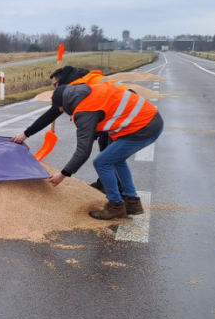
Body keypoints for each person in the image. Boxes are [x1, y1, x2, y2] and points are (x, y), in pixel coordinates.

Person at [46, 82, 163, 220]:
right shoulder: (88, 91)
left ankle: (116, 206)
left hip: (142, 127)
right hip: (152, 120)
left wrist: (63, 174)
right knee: (117, 160)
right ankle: (132, 202)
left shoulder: (84, 110)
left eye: (60, 109)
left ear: (65, 104)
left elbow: (83, 151)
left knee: (101, 162)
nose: (62, 112)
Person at [11, 66, 130, 192]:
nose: (55, 89)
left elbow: (53, 113)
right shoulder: (82, 79)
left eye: (55, 85)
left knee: (108, 156)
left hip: (123, 110)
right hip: (118, 107)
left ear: (61, 81)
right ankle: (108, 184)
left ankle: (119, 192)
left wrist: (26, 134)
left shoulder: (75, 87)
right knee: (106, 149)